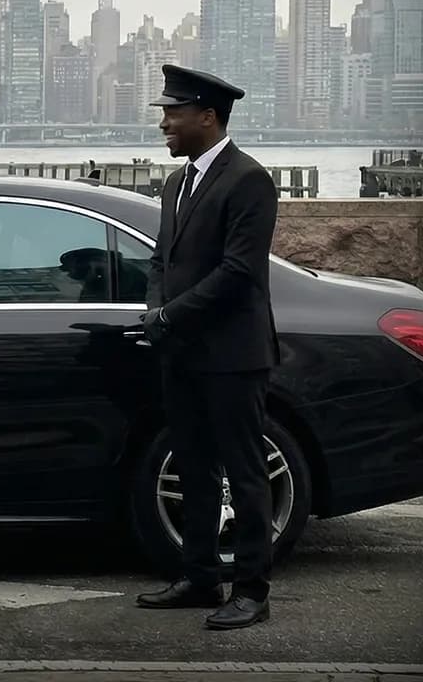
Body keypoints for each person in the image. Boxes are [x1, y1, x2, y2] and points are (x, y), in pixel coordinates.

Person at [134, 64, 280, 631]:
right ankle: (200, 577)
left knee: (244, 475)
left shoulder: (248, 180)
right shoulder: (177, 183)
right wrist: (155, 311)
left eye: (173, 114)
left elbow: (239, 272)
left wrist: (170, 314)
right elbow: (160, 260)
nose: (164, 124)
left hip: (233, 357)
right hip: (184, 355)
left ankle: (251, 591)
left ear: (208, 116)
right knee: (193, 469)